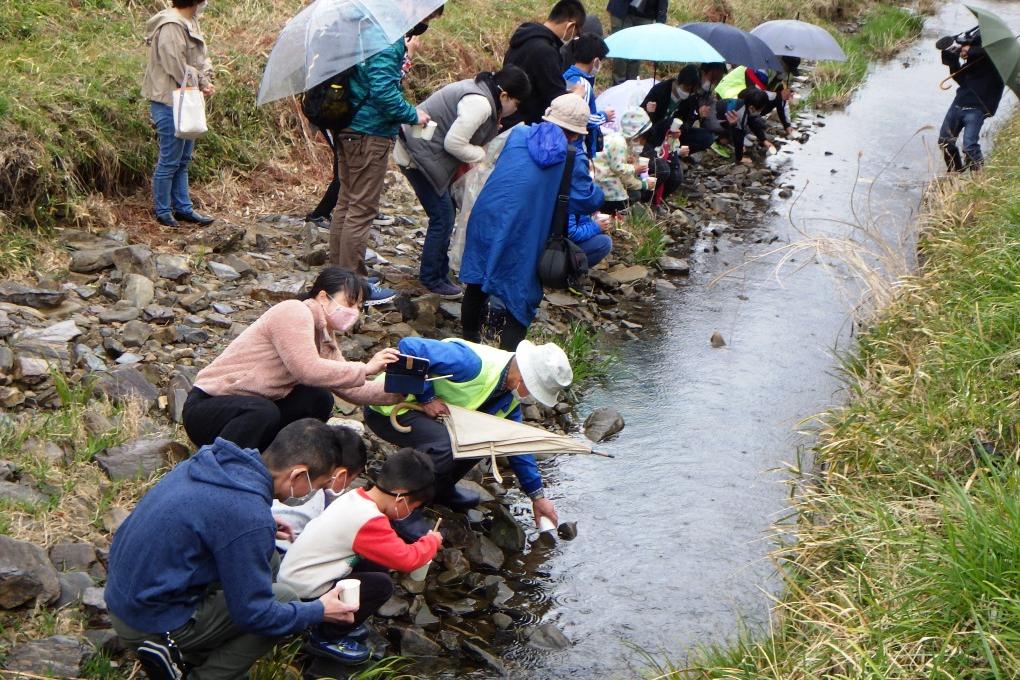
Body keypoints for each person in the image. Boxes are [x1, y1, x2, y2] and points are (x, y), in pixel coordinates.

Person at [107, 419, 359, 680]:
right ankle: (201, 673)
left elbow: (208, 515)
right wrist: (318, 610)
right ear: (297, 475)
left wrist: (259, 528)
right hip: (149, 621)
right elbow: (256, 614)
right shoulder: (247, 515)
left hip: (125, 594)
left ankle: (199, 649)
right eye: (316, 486)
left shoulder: (216, 463)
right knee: (284, 599)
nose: (313, 494)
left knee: (270, 559)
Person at [364, 337, 572, 539]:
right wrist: (427, 398)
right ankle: (403, 507)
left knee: (482, 440)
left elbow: (515, 444)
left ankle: (441, 490)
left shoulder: (508, 399)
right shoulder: (470, 363)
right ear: (523, 378)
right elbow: (410, 346)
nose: (530, 398)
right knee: (444, 444)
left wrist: (537, 496)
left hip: (430, 422)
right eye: (534, 391)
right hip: (388, 410)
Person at [181, 267, 402, 452]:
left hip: (250, 407)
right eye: (350, 302)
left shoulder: (324, 334)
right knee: (262, 411)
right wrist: (367, 368)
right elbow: (307, 370)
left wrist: (403, 391)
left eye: (359, 306)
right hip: (209, 407)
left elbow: (351, 388)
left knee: (318, 398)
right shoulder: (294, 311)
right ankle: (220, 467)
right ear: (324, 297)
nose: (354, 312)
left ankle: (276, 462)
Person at [459, 94, 603, 349]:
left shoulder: (518, 136)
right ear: (577, 134)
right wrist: (598, 189)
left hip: (488, 216)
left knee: (477, 281)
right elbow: (585, 200)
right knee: (520, 292)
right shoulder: (572, 157)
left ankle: (468, 341)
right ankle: (506, 366)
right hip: (525, 229)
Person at [279, 448, 441, 664]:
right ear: (401, 498)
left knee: (376, 563)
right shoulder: (369, 520)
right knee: (381, 585)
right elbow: (407, 559)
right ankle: (326, 637)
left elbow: (388, 549)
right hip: (305, 590)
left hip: (295, 575)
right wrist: (432, 541)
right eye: (413, 507)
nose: (410, 513)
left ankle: (334, 621)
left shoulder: (355, 498)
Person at [329, 15, 440, 305]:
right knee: (361, 208)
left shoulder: (363, 33)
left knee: (347, 202)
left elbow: (374, 83)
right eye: (427, 17)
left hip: (349, 126)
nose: (425, 24)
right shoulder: (387, 40)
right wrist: (413, 114)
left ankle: (340, 276)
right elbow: (384, 93)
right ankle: (353, 286)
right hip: (370, 133)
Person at [394, 67, 532, 299]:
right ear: (505, 96)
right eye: (516, 104)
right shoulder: (481, 104)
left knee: (446, 213)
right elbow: (454, 143)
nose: (514, 110)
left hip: (425, 153)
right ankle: (431, 278)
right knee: (443, 216)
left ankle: (439, 270)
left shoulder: (483, 94)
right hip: (416, 156)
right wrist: (482, 156)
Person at [142, 0, 215, 229]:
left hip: (186, 99)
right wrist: (202, 81)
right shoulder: (171, 25)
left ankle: (183, 208)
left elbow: (199, 58)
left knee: (183, 160)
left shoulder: (189, 21)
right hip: (168, 101)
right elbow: (175, 65)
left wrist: (207, 78)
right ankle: (163, 211)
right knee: (170, 160)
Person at [272, 425, 367, 553]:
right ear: (341, 476)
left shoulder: (287, 473)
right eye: (352, 479)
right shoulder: (315, 496)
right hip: (279, 552)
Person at [503, 0, 587, 127]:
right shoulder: (546, 52)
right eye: (576, 34)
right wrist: (576, 96)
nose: (573, 38)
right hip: (526, 127)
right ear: (570, 26)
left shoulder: (524, 38)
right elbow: (556, 99)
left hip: (508, 118)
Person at [936, 28, 1005, 171]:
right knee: (944, 142)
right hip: (959, 103)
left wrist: (970, 50)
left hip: (978, 108)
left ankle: (978, 178)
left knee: (969, 146)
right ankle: (956, 172)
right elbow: (962, 80)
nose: (964, 51)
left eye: (970, 46)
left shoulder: (996, 61)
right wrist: (953, 63)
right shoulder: (973, 62)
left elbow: (991, 52)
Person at [563, 33, 615, 159]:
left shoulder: (566, 77)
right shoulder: (583, 84)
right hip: (576, 148)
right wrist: (604, 116)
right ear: (596, 61)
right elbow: (581, 119)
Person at [593, 108, 653, 214]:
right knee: (623, 201)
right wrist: (634, 168)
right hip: (602, 179)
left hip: (601, 174)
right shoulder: (620, 143)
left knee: (631, 193)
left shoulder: (619, 138)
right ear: (636, 135)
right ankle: (606, 211)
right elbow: (618, 168)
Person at [606, 0, 669, 85]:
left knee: (636, 53)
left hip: (646, 14)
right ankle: (618, 86)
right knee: (621, 50)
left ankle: (631, 86)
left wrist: (661, 21)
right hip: (623, 10)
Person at [717, 88, 775, 165]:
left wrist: (763, 140)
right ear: (752, 108)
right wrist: (740, 157)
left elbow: (752, 123)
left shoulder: (744, 104)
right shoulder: (740, 114)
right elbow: (738, 136)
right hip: (715, 121)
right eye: (761, 109)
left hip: (721, 114)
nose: (761, 111)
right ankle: (719, 138)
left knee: (750, 124)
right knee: (736, 134)